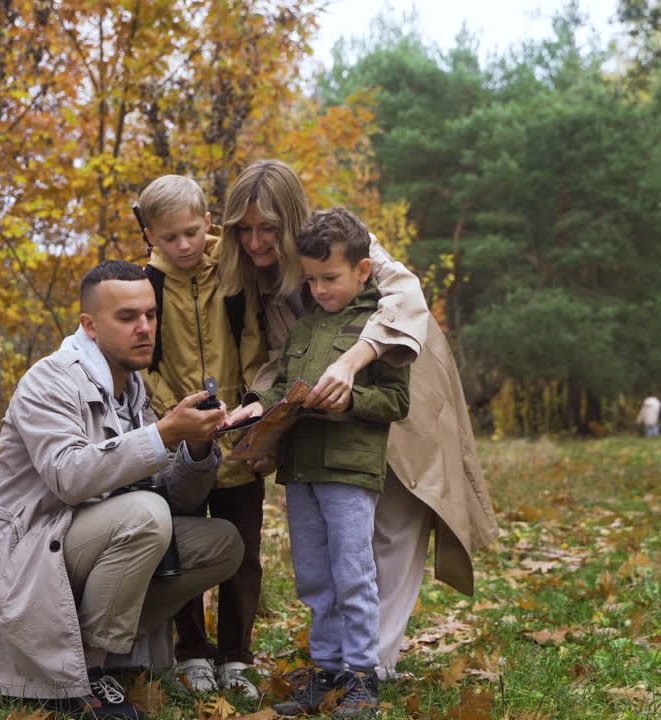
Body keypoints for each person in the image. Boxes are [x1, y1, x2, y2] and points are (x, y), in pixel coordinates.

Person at [220, 159, 498, 681]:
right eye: (244, 229)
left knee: (396, 518)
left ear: (290, 219)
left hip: (398, 372)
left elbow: (405, 295)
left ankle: (372, 663)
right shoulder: (259, 278)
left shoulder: (348, 241)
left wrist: (351, 362)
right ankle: (350, 660)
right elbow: (281, 356)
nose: (256, 241)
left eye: (267, 228)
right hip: (326, 413)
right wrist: (262, 406)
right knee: (341, 545)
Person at [0, 260, 244, 720]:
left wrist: (197, 449)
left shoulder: (131, 389)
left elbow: (175, 497)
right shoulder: (50, 380)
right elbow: (69, 478)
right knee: (145, 516)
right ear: (89, 325)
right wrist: (163, 434)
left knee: (222, 542)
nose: (144, 328)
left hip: (81, 544)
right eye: (127, 318)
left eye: (150, 314)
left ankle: (99, 656)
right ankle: (82, 677)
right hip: (27, 550)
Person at [246, 207, 410, 718]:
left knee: (352, 572)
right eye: (312, 279)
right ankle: (326, 670)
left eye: (330, 278)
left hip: (349, 471)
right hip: (301, 471)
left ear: (362, 271)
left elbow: (396, 402)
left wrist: (351, 401)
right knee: (314, 575)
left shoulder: (379, 327)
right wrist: (257, 406)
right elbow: (280, 385)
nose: (319, 289)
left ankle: (362, 677)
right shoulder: (304, 328)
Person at [136, 175, 268, 698]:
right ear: (150, 235)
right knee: (180, 548)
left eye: (192, 232)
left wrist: (252, 406)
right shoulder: (148, 284)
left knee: (244, 553)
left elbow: (258, 343)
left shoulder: (234, 275)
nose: (184, 245)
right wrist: (177, 418)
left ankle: (236, 655)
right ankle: (192, 650)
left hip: (239, 439)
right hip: (181, 444)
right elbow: (147, 361)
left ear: (208, 222)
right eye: (170, 238)